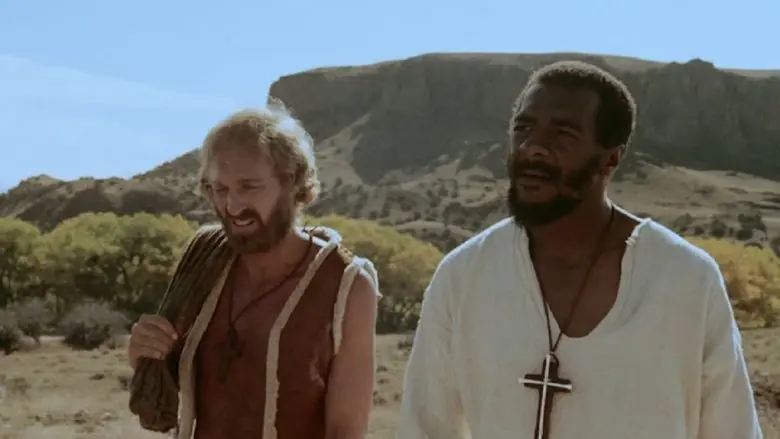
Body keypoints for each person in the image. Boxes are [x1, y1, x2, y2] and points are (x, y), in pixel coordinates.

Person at [396, 61, 762, 439]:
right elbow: (424, 428)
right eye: (523, 128)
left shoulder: (685, 279)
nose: (533, 147)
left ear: (611, 158)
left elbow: (732, 430)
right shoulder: (464, 276)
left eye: (563, 134)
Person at [127, 101, 380, 439]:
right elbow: (168, 402)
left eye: (248, 186)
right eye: (220, 189)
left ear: (292, 181)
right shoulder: (204, 262)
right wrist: (145, 354)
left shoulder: (346, 286)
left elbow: (345, 431)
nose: (232, 206)